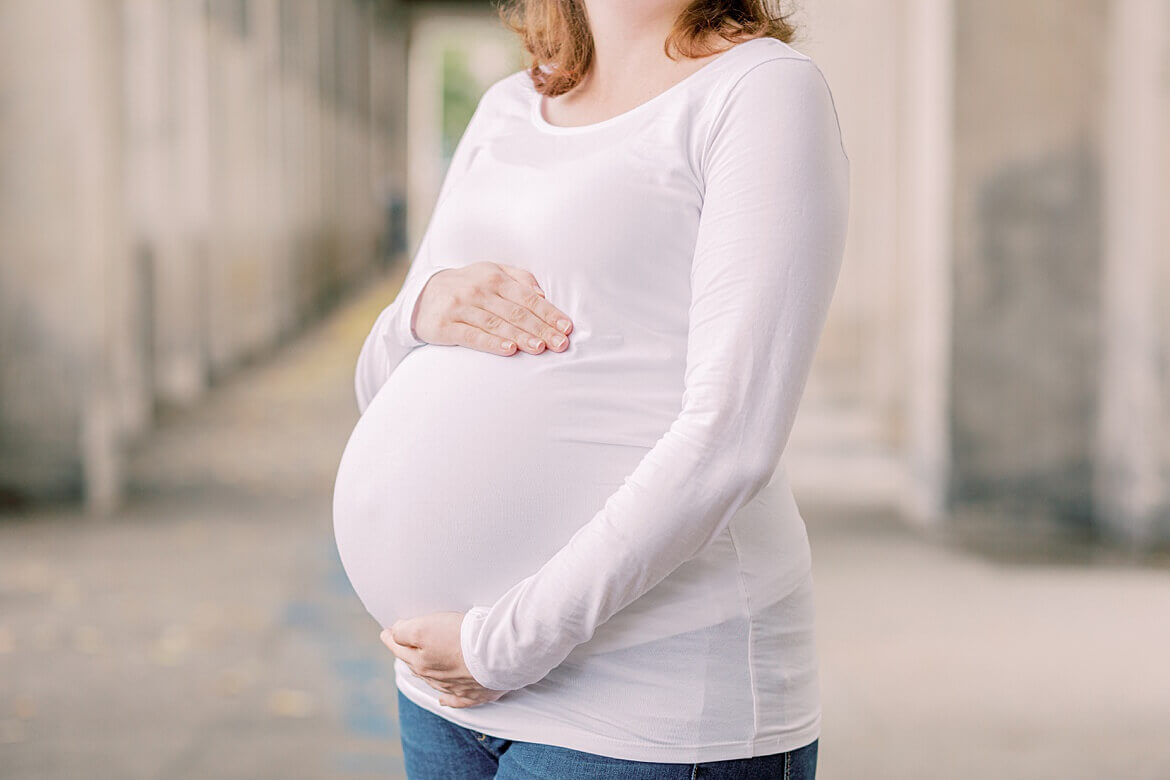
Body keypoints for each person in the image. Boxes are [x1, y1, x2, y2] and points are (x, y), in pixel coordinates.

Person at [341, 0, 850, 776]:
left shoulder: (759, 91)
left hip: (647, 704)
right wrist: (421, 306)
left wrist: (502, 644)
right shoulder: (507, 106)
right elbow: (380, 383)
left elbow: (732, 440)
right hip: (442, 693)